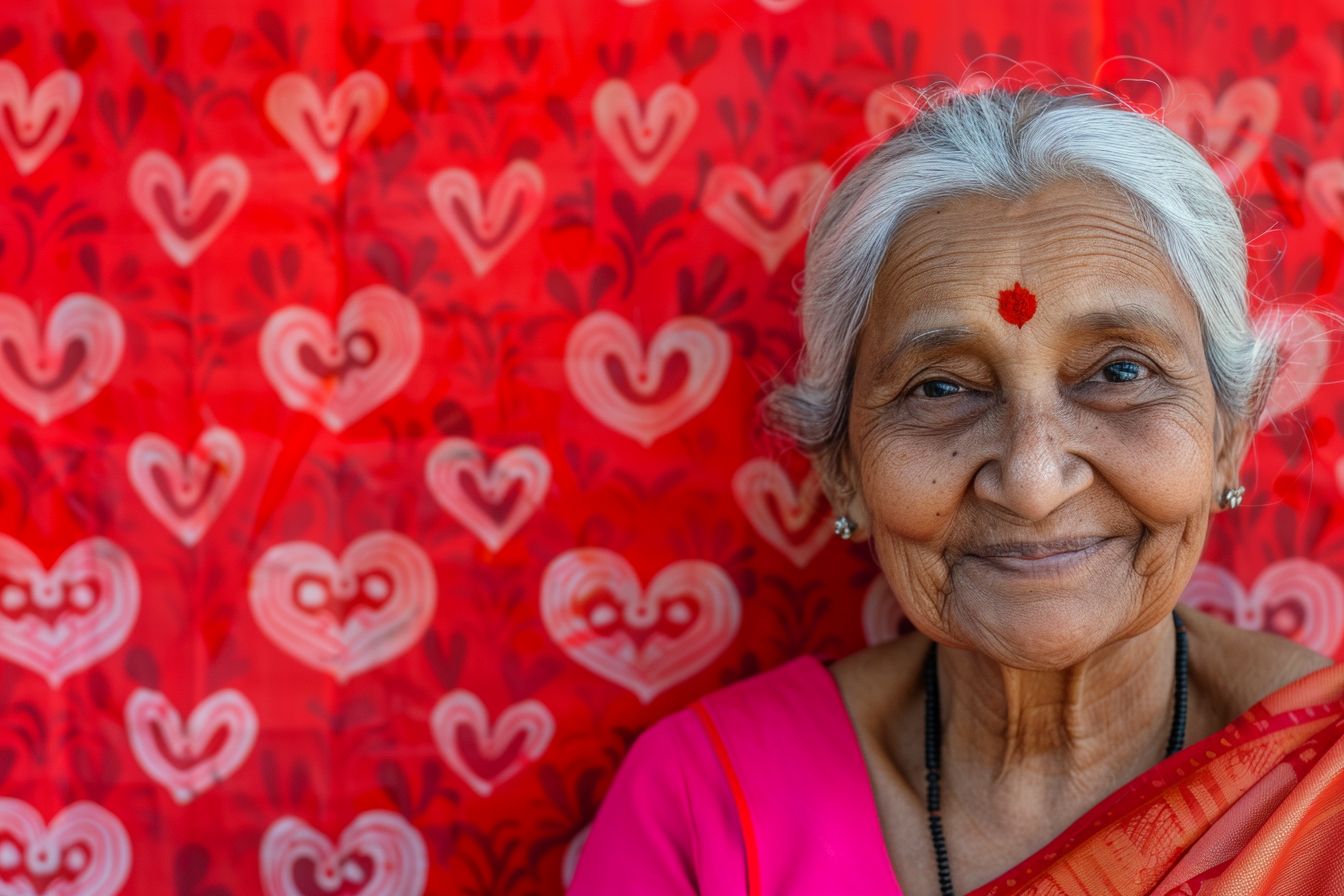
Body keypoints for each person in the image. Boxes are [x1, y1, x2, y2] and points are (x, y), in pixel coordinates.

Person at [567, 86, 1344, 896]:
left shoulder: (1325, 788)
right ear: (842, 465)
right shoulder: (707, 807)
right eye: (940, 389)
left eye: (1120, 373)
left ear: (1228, 434)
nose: (1035, 482)